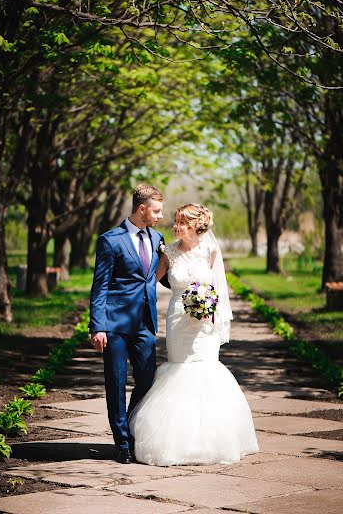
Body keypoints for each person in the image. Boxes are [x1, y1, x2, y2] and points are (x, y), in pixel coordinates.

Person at [129, 203, 259, 466]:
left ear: (195, 225)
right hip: (178, 319)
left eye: (181, 222)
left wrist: (213, 312)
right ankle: (174, 441)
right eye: (176, 221)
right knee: (180, 369)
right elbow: (148, 281)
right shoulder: (169, 252)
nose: (176, 226)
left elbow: (219, 289)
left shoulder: (210, 251)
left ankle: (210, 440)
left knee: (206, 369)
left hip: (205, 324)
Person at [89, 183, 165, 464]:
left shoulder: (158, 237)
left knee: (147, 380)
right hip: (115, 325)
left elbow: (163, 274)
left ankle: (131, 426)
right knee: (116, 383)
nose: (159, 216)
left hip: (145, 323)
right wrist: (97, 326)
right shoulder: (110, 240)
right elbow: (100, 286)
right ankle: (122, 442)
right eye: (156, 211)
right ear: (142, 208)